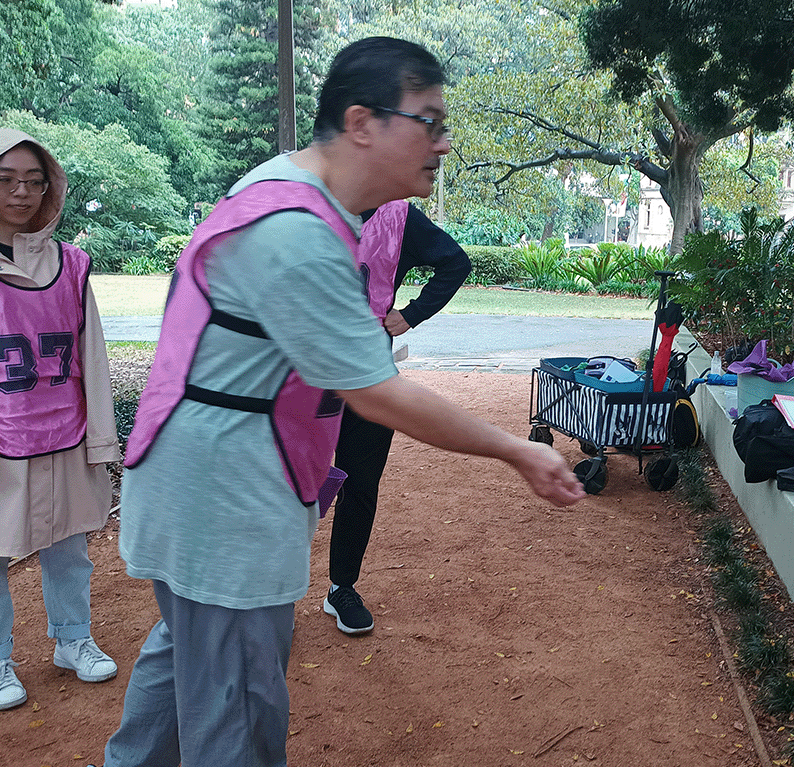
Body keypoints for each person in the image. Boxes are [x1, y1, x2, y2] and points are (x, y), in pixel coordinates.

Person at [98, 37, 584, 767]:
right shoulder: (298, 233)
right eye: (429, 120)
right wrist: (516, 448)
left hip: (192, 488)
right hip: (223, 504)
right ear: (363, 122)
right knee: (236, 713)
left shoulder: (281, 189)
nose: (443, 143)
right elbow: (378, 393)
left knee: (183, 668)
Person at [0, 131, 121, 711]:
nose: (21, 192)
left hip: (65, 434)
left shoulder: (71, 264)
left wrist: (103, 436)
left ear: (50, 186)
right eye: (6, 179)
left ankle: (73, 641)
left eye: (33, 180)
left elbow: (91, 354)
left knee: (69, 547)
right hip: (3, 440)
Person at [325, 200, 472, 634]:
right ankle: (270, 596)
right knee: (286, 481)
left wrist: (410, 314)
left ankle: (341, 588)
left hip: (371, 376)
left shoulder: (398, 216)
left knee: (360, 482)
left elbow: (454, 263)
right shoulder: (308, 201)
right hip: (301, 376)